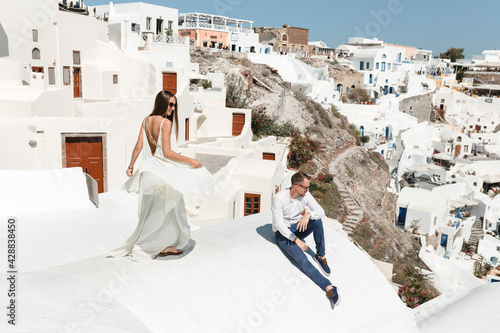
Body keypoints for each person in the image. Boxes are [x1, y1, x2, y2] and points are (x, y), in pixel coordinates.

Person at [108, 90, 216, 261]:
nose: (173, 108)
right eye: (170, 104)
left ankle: (164, 244)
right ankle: (150, 245)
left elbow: (138, 146)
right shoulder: (165, 123)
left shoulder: (146, 120)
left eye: (174, 105)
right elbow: (166, 153)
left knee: (160, 209)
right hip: (163, 172)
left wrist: (130, 166)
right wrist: (189, 160)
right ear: (162, 103)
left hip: (151, 171)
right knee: (167, 209)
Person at [272, 171, 340, 307]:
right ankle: (328, 286)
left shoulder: (305, 195)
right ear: (297, 186)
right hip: (283, 234)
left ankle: (320, 256)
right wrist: (296, 240)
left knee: (317, 220)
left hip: (298, 226)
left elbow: (321, 211)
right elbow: (279, 224)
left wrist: (308, 214)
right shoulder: (279, 198)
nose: (308, 190)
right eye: (306, 187)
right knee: (302, 259)